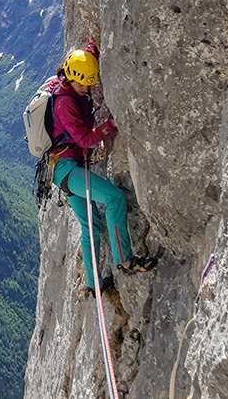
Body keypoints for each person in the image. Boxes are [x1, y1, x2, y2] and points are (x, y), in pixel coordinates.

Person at [48, 37, 157, 293]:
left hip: (60, 169)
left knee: (90, 225)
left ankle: (93, 283)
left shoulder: (65, 81)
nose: (87, 88)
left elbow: (84, 62)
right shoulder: (65, 104)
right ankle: (125, 260)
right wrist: (111, 125)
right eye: (83, 84)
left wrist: (92, 46)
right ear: (71, 78)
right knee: (114, 198)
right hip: (66, 168)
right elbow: (85, 139)